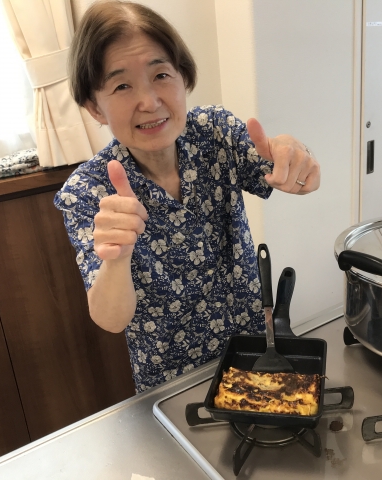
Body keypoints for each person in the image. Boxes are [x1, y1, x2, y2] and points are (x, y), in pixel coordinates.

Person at [54, 0, 320, 393]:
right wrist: (117, 257)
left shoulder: (215, 132)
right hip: (173, 385)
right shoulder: (87, 190)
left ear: (183, 78)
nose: (149, 102)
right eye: (122, 85)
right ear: (95, 106)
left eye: (161, 75)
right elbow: (111, 319)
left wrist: (296, 156)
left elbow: (292, 174)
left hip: (255, 355)